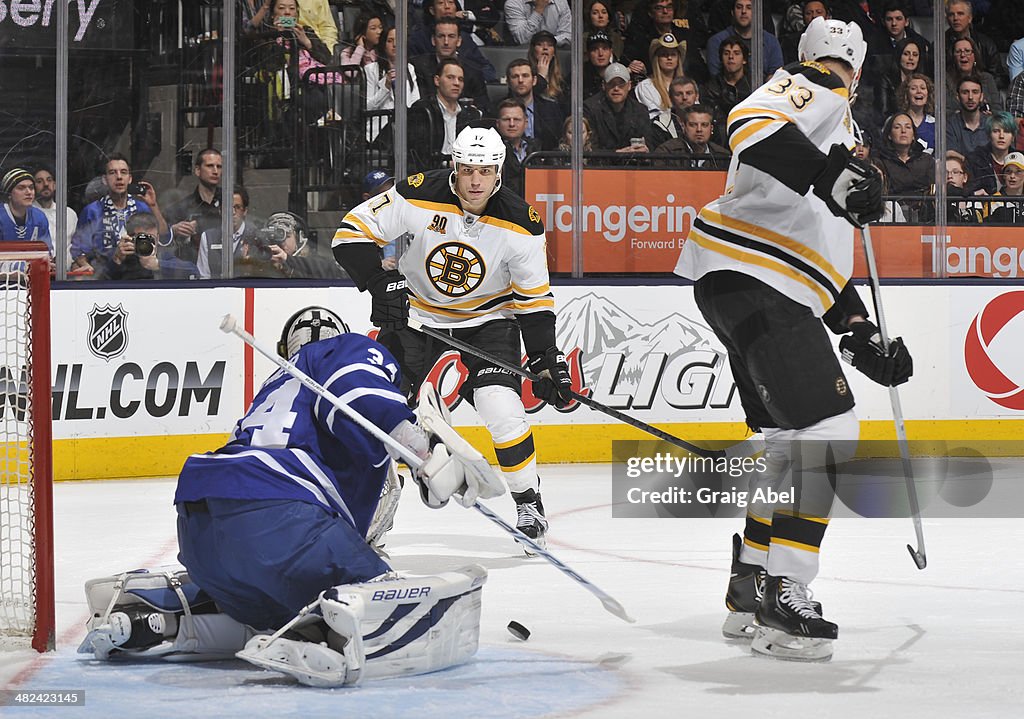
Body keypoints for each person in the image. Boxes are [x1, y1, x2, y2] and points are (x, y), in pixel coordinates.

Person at [78, 306, 497, 687]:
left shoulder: (273, 387)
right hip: (285, 525)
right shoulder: (345, 351)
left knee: (259, 610)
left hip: (201, 530)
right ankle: (320, 637)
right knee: (372, 588)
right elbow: (361, 395)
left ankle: (154, 620)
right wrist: (425, 451)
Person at [675, 17, 911, 662]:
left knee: (784, 445)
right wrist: (835, 177)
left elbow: (814, 248)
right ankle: (787, 594)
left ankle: (749, 589)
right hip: (756, 279)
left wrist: (859, 332)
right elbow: (750, 128)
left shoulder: (838, 130)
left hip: (750, 279)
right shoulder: (813, 89)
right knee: (830, 432)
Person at [332, 126, 573, 550]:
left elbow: (534, 300)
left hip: (489, 321)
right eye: (467, 170)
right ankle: (368, 508)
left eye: (484, 171)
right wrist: (379, 282)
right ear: (454, 168)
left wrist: (543, 357)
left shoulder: (522, 222)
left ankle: (528, 500)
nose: (475, 181)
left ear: (498, 171)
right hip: (417, 317)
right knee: (381, 411)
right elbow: (349, 233)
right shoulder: (416, 193)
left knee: (502, 409)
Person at [70, 154, 167, 276]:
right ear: (104, 180)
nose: (119, 177)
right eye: (112, 173)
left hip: (141, 274)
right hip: (104, 276)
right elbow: (79, 250)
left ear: (130, 178)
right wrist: (87, 267)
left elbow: (163, 236)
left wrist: (153, 205)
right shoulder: (92, 211)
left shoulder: (141, 207)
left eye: (124, 172)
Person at [407, 58, 485, 173]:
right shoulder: (423, 110)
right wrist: (448, 164)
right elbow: (420, 155)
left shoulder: (470, 114)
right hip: (430, 175)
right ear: (437, 81)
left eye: (461, 79)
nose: (456, 83)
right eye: (450, 77)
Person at [411, 17, 492, 116]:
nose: (446, 42)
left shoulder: (473, 71)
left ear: (459, 41)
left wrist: (473, 112)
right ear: (433, 40)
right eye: (441, 36)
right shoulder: (417, 66)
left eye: (451, 36)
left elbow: (484, 107)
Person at [235, 211, 345, 279]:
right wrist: (249, 266)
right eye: (272, 236)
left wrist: (287, 261)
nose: (279, 241)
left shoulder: (316, 263)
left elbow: (330, 270)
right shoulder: (264, 262)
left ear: (299, 238)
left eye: (285, 235)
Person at [622, 0, 709, 83]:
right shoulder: (640, 37)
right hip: (652, 84)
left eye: (669, 7)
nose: (665, 11)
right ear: (650, 13)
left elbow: (698, 65)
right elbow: (626, 60)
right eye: (659, 8)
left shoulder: (685, 35)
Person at [163, 148, 223, 266]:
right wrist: (174, 230)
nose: (215, 171)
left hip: (225, 270)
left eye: (219, 167)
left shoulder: (230, 203)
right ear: (197, 170)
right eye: (210, 166)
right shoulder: (181, 208)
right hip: (191, 270)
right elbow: (161, 237)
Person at [364, 25, 421, 147]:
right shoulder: (371, 70)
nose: (395, 45)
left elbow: (416, 102)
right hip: (380, 130)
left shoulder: (410, 69)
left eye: (399, 40)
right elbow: (367, 107)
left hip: (406, 129)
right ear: (383, 45)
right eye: (390, 41)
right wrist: (385, 87)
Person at [102, 212, 197, 280]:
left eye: (151, 239)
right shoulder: (122, 254)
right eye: (142, 239)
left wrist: (158, 265)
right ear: (130, 238)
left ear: (158, 238)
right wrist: (117, 260)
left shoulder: (162, 257)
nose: (146, 244)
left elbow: (193, 271)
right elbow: (99, 279)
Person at [583, 63, 654, 154]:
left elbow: (649, 146)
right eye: (611, 84)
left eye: (621, 84)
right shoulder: (590, 108)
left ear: (629, 86)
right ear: (603, 85)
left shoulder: (640, 110)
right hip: (601, 166)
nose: (616, 88)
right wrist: (618, 153)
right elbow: (590, 149)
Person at [706, 0, 784, 79]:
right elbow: (716, 78)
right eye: (739, 7)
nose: (743, 11)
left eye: (749, 7)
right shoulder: (716, 41)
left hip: (764, 90)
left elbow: (777, 76)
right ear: (732, 12)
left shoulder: (771, 41)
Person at [196, 187, 259, 280]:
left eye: (237, 207)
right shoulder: (208, 237)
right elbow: (204, 277)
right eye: (228, 207)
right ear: (220, 211)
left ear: (245, 211)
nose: (233, 212)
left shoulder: (257, 236)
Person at [505, 58, 566, 151]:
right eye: (515, 76)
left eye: (525, 76)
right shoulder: (498, 109)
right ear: (508, 82)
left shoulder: (551, 108)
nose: (520, 80)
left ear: (534, 80)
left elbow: (559, 140)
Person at [945, 0, 1005, 88]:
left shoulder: (986, 44)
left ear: (970, 18)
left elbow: (998, 77)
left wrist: (978, 87)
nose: (955, 18)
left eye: (960, 14)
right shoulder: (939, 45)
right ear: (947, 19)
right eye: (951, 14)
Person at [704, 36, 753, 143]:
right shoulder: (711, 87)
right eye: (726, 53)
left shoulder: (754, 86)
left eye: (736, 53)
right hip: (719, 139)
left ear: (744, 60)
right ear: (721, 58)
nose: (731, 57)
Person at [873, 37, 929, 128]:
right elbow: (883, 113)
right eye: (906, 54)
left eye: (915, 55)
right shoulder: (886, 80)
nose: (911, 58)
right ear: (899, 56)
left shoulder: (923, 80)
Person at [653, 103, 729, 168]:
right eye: (693, 125)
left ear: (711, 128)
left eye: (704, 125)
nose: (699, 129)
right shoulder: (666, 152)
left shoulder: (722, 155)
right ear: (684, 127)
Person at [633, 33, 686, 125]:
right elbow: (654, 119)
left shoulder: (688, 86)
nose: (669, 58)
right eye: (664, 54)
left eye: (673, 54)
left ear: (678, 59)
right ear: (657, 59)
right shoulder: (645, 87)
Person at [495, 98, 541, 196]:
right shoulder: (491, 149)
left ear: (526, 123)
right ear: (498, 124)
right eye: (506, 119)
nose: (512, 124)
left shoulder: (536, 149)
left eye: (517, 119)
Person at [1, 167, 53, 253]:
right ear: (9, 194)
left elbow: (46, 252)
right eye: (21, 188)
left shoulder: (39, 217)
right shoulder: (1, 217)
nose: (29, 192)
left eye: (31, 187)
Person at [31, 165, 77, 262]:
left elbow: (77, 247)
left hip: (67, 274)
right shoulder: (28, 214)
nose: (46, 184)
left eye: (49, 180)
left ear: (55, 185)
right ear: (33, 187)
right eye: (39, 181)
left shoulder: (69, 214)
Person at [946, 37, 1003, 113]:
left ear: (974, 56)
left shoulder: (987, 78)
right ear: (953, 57)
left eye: (967, 51)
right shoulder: (945, 80)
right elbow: (941, 111)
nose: (963, 55)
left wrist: (991, 116)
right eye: (958, 52)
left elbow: (998, 110)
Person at [966, 111, 1017, 194]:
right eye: (996, 131)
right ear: (989, 135)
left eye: (1006, 131)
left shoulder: (1021, 159)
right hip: (984, 206)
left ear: (1013, 137)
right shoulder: (975, 159)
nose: (1001, 136)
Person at [946, 76, 992, 158]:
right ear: (958, 97)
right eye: (965, 92)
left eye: (975, 92)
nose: (970, 97)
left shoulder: (991, 123)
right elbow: (950, 153)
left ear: (981, 96)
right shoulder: (949, 124)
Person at [649, 75, 701, 147]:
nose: (684, 97)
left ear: (697, 96)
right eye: (678, 94)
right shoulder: (659, 124)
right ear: (670, 98)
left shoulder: (708, 121)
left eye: (689, 93)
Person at [896, 73, 936, 154]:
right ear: (906, 94)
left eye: (923, 88)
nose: (919, 91)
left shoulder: (936, 124)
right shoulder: (895, 121)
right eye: (913, 88)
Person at [503, 0, 572, 46]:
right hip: (524, 55)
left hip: (555, 53)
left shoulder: (561, 2)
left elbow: (568, 36)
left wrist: (547, 42)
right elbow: (522, 39)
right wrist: (539, 9)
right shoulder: (513, 4)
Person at [530, 30, 570, 106]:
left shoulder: (562, 81)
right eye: (539, 44)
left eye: (550, 45)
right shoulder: (524, 75)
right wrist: (541, 76)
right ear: (533, 51)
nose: (545, 48)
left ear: (554, 52)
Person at [945, 150, 985, 223]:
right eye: (945, 173)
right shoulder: (936, 198)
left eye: (955, 172)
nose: (949, 176)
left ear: (965, 178)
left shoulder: (974, 201)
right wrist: (971, 194)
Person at [985, 151, 1024, 223]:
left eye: (1018, 171)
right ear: (1003, 176)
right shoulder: (993, 201)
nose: (1012, 176)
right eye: (1008, 171)